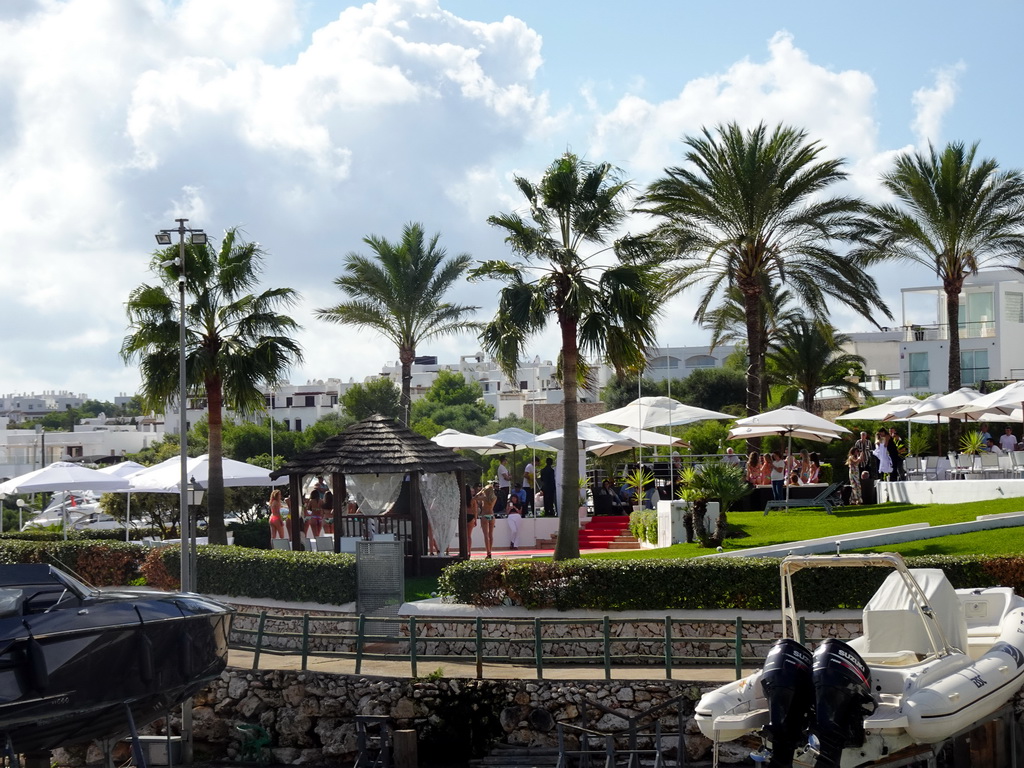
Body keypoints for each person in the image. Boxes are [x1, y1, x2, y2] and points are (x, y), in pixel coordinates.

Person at [474, 481, 497, 558]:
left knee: (486, 535)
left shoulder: (484, 498)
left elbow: (475, 497)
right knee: (491, 535)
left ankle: (488, 552)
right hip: (492, 515)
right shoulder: (494, 498)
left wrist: (481, 491)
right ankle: (490, 550)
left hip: (485, 515)